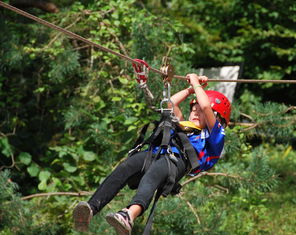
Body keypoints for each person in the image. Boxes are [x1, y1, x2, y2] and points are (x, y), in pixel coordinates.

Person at [72, 73, 231, 234]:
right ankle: (91, 209)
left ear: (217, 117)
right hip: (155, 153)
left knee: (153, 175)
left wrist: (196, 83)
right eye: (193, 109)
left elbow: (205, 106)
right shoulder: (184, 124)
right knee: (126, 166)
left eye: (202, 112)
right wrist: (190, 90)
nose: (196, 113)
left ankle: (128, 215)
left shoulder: (215, 136)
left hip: (177, 162)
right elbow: (170, 103)